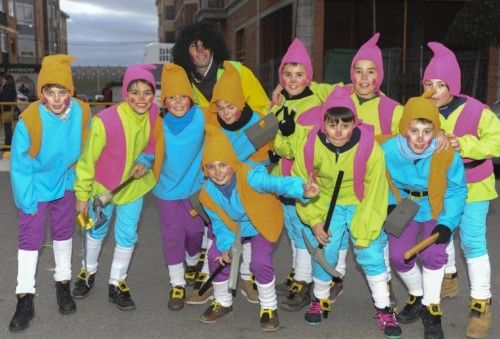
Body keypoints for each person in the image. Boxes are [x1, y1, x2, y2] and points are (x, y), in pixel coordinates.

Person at [274, 86, 401, 338]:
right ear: (324, 123)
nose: (339, 131)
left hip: (361, 201)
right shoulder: (310, 145)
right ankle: (319, 299)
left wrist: (364, 230)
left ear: (356, 122)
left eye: (346, 124)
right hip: (324, 201)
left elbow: (376, 190)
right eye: (333, 124)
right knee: (326, 252)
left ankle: (384, 308)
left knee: (370, 252)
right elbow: (303, 186)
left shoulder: (369, 147)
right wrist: (315, 222)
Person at [198, 124, 319, 331]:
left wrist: (301, 189)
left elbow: (276, 183)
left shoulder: (251, 175)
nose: (218, 172)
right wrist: (227, 247)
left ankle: (269, 307)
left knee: (260, 262)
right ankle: (223, 302)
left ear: (233, 164)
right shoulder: (206, 194)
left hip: (261, 221)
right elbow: (219, 223)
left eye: (223, 165)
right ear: (205, 171)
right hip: (234, 226)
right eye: (211, 167)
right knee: (215, 256)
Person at [422, 42, 500, 338]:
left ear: (453, 85)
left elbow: (497, 141)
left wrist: (464, 144)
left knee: (473, 242)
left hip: (474, 186)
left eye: (441, 84)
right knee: (442, 231)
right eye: (429, 83)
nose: (435, 90)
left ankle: (481, 303)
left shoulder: (478, 110)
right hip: (440, 185)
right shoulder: (422, 109)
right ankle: (449, 277)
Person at [8, 55, 91, 331]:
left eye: (62, 92)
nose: (56, 99)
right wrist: (26, 200)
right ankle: (24, 298)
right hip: (35, 184)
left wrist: (82, 190)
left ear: (71, 92)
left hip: (65, 182)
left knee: (63, 234)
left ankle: (63, 284)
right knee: (30, 240)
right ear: (41, 92)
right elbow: (20, 165)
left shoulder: (82, 112)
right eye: (49, 92)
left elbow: (88, 152)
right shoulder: (30, 119)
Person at [71, 64, 163, 311]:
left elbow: (153, 145)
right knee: (96, 231)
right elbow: (87, 160)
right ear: (125, 93)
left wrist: (145, 160)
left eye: (147, 92)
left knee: (127, 235)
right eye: (135, 92)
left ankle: (117, 282)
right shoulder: (103, 121)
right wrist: (82, 196)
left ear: (153, 95)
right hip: (103, 190)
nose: (142, 99)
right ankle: (87, 273)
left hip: (133, 187)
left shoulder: (154, 114)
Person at [187, 61, 273, 305]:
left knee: (250, 233)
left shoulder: (258, 123)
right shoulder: (213, 124)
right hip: (220, 191)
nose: (225, 111)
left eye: (230, 106)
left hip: (249, 190)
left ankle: (245, 277)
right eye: (221, 106)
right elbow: (206, 158)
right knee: (217, 234)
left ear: (242, 103)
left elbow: (266, 158)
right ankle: (209, 278)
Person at [382, 90, 467, 339]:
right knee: (399, 256)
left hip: (435, 202)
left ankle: (432, 307)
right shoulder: (387, 149)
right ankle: (417, 294)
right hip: (403, 203)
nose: (420, 138)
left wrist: (447, 224)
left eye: (427, 131)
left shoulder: (445, 152)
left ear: (436, 132)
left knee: (433, 252)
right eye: (414, 130)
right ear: (403, 128)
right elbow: (378, 177)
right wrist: (389, 203)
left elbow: (457, 190)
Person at [268, 38, 340, 311]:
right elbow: (271, 138)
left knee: (305, 229)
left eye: (299, 74)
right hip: (284, 179)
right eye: (287, 74)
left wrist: (287, 136)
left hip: (306, 178)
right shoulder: (277, 103)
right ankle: (301, 272)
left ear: (309, 77)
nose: (293, 79)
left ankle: (304, 279)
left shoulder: (318, 102)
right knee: (293, 228)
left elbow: (306, 146)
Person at [152, 63, 206, 310]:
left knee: (195, 233)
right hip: (167, 191)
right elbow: (148, 150)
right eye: (171, 98)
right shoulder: (159, 124)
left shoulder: (203, 116)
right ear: (164, 101)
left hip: (195, 188)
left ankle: (193, 261)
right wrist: (143, 163)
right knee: (173, 237)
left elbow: (234, 111)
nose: (177, 102)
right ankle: (177, 283)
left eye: (182, 96)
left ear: (190, 97)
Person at [172, 21, 269, 126]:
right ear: (186, 52)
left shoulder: (237, 71)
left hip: (244, 139)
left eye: (205, 44)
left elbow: (263, 109)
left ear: (213, 48)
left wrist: (240, 130)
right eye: (194, 45)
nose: (200, 49)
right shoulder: (184, 83)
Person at [1, 74, 18, 146]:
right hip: (8, 109)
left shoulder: (7, 88)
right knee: (8, 127)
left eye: (4, 79)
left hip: (6, 109)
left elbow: (5, 98)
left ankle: (8, 144)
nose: (3, 80)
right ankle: (9, 143)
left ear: (7, 80)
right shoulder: (11, 87)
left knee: (7, 128)